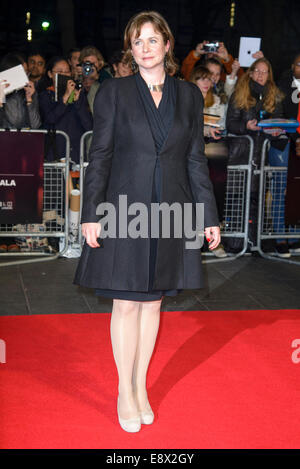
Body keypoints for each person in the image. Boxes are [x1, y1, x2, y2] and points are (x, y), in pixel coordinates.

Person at [74, 10, 220, 433]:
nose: (145, 48)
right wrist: (91, 214)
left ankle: (140, 386)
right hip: (123, 209)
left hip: (171, 209)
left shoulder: (189, 95)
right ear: (130, 48)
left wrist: (207, 216)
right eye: (138, 41)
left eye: (153, 40)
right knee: (126, 301)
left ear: (168, 45)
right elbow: (99, 155)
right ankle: (125, 390)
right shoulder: (114, 92)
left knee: (153, 301)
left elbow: (195, 159)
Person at [226, 57, 284, 252]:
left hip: (261, 156)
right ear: (250, 73)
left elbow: (280, 122)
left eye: (264, 72)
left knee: (257, 201)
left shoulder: (273, 96)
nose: (260, 75)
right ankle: (236, 244)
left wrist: (277, 131)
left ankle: (254, 244)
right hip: (242, 154)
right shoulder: (240, 94)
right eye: (256, 71)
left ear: (269, 75)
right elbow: (230, 124)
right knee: (239, 199)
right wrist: (246, 126)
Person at [0, 53, 41, 253]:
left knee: (15, 196)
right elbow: (11, 119)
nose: (26, 74)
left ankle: (12, 236)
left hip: (21, 149)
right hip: (3, 146)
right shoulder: (3, 91)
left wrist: (30, 99)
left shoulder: (27, 91)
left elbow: (35, 124)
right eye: (21, 70)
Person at [190, 66, 228, 258]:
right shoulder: (186, 100)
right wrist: (205, 130)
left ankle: (214, 242)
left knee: (215, 198)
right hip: (193, 155)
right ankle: (196, 242)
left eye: (208, 79)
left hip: (214, 156)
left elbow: (222, 125)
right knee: (194, 200)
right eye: (201, 79)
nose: (206, 82)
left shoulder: (218, 101)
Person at [38, 56, 93, 163]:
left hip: (77, 153)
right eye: (59, 71)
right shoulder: (45, 95)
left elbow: (89, 125)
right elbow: (50, 119)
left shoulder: (78, 94)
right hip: (55, 154)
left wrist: (77, 102)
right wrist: (64, 100)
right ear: (50, 74)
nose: (64, 75)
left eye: (67, 72)